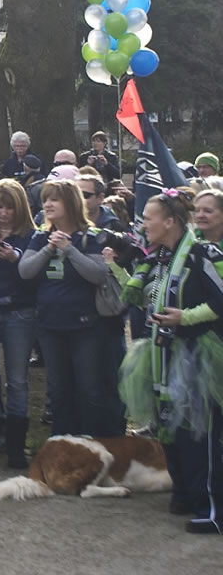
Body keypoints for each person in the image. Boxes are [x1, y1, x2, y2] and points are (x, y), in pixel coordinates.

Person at [115, 188, 223, 534]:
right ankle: (186, 493)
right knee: (170, 428)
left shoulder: (201, 254)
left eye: (148, 218)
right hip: (163, 352)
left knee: (198, 433)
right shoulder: (158, 258)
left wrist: (185, 318)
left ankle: (211, 507)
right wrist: (116, 266)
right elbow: (135, 297)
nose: (143, 224)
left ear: (171, 222)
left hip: (196, 354)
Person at [18, 179, 114, 438]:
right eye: (45, 199)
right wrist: (49, 248)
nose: (47, 204)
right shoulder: (40, 236)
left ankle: (91, 440)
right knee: (58, 388)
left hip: (85, 325)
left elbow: (97, 274)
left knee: (88, 387)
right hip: (50, 324)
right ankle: (62, 442)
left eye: (54, 199)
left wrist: (68, 249)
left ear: (70, 203)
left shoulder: (90, 236)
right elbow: (25, 271)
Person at [0, 179, 40, 469]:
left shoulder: (32, 236)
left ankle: (15, 447)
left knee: (16, 380)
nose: (3, 213)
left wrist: (17, 258)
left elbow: (35, 276)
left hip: (19, 313)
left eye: (9, 208)